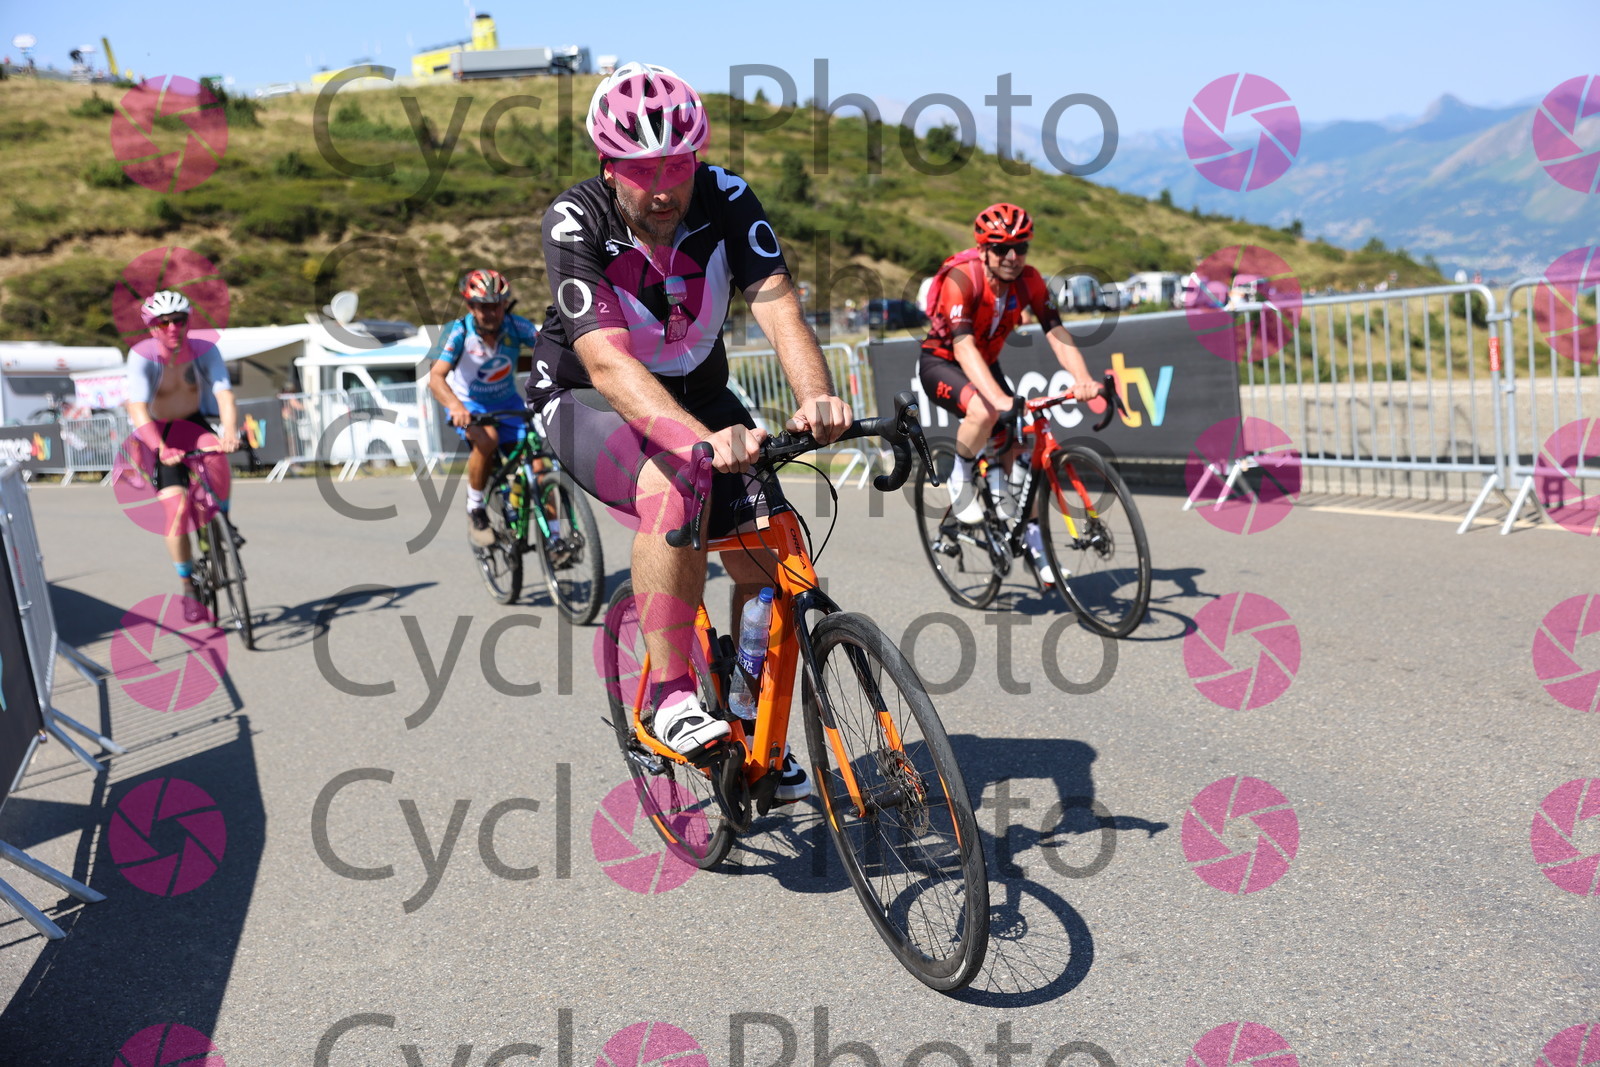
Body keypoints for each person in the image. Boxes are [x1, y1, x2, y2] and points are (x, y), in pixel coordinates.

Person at [527, 62, 849, 796]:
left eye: (678, 164)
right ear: (608, 164)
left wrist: (817, 396)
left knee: (771, 543)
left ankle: (746, 704)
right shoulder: (576, 220)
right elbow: (607, 363)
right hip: (586, 396)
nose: (664, 188)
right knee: (672, 488)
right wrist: (696, 442)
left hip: (699, 394)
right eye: (642, 170)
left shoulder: (727, 197)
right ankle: (669, 695)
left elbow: (776, 303)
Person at [918, 203, 1101, 574]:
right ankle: (960, 475)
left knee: (1018, 449)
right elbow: (963, 346)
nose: (1012, 257)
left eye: (1021, 247)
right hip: (943, 362)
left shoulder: (1030, 279)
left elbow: (1056, 330)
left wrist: (1082, 378)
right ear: (983, 250)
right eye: (1001, 248)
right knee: (985, 411)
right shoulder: (962, 277)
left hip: (986, 364)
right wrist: (998, 398)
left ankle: (1033, 544)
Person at [124, 290, 240, 621]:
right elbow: (137, 408)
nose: (173, 328)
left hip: (193, 422)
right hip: (159, 433)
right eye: (164, 323)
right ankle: (188, 585)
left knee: (216, 456)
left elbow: (224, 394)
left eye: (179, 320)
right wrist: (160, 448)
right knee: (176, 512)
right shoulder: (142, 355)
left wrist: (229, 432)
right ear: (152, 327)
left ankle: (223, 519)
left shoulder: (204, 349)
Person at [427, 268, 540, 545]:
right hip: (469, 404)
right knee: (487, 440)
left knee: (539, 465)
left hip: (507, 402)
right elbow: (436, 377)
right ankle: (475, 507)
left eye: (496, 305)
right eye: (483, 307)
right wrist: (455, 407)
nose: (491, 313)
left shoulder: (517, 326)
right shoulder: (458, 331)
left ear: (505, 304)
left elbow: (551, 350)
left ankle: (557, 538)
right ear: (470, 307)